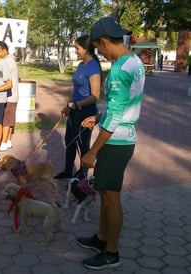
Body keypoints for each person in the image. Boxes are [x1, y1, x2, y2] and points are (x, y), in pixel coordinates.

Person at [76, 17, 145, 270]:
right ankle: (101, 239)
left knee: (111, 198)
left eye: (98, 49)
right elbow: (122, 106)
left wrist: (92, 152)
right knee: (105, 193)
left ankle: (111, 252)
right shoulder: (134, 62)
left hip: (115, 142)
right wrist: (98, 118)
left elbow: (117, 114)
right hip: (123, 137)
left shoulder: (118, 69)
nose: (100, 54)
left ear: (103, 42)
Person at [54, 35, 101, 180]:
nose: (75, 51)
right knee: (70, 142)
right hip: (74, 110)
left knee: (83, 145)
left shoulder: (93, 67)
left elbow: (95, 96)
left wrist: (77, 105)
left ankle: (82, 177)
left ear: (86, 49)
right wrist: (68, 105)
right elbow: (76, 91)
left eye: (77, 48)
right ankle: (68, 171)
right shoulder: (81, 65)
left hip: (86, 112)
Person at [0, 41, 19, 151]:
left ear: (5, 50)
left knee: (6, 120)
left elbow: (4, 79)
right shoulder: (9, 60)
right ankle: (9, 141)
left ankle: (4, 142)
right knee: (10, 120)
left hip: (9, 96)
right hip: (12, 95)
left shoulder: (8, 62)